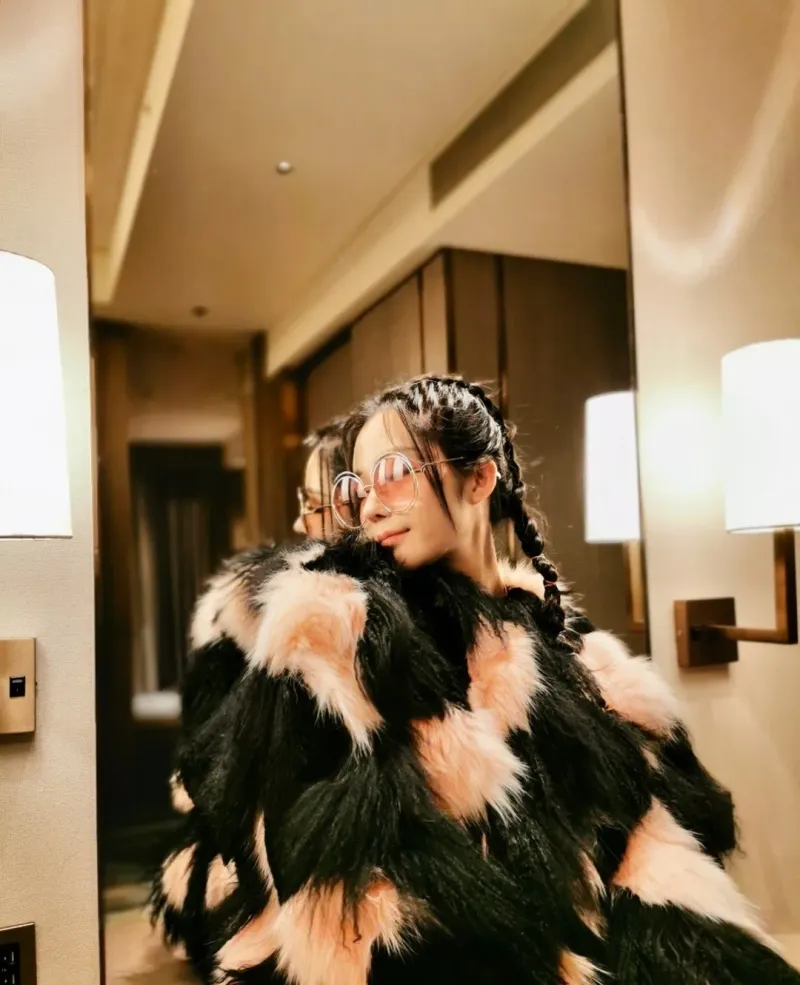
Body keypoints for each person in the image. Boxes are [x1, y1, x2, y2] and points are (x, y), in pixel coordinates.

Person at [152, 375, 800, 985]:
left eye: (394, 475)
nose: (370, 505)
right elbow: (321, 867)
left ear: (480, 478)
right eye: (358, 484)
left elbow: (639, 822)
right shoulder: (345, 633)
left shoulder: (554, 645)